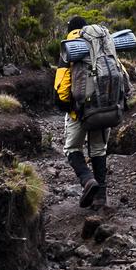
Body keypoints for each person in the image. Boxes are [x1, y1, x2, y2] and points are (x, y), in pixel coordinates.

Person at [54, 15, 112, 210]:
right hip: (105, 105)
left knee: (71, 149)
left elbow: (62, 86)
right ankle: (101, 197)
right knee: (98, 149)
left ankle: (87, 180)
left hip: (80, 110)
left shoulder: (70, 46)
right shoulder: (102, 41)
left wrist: (66, 107)